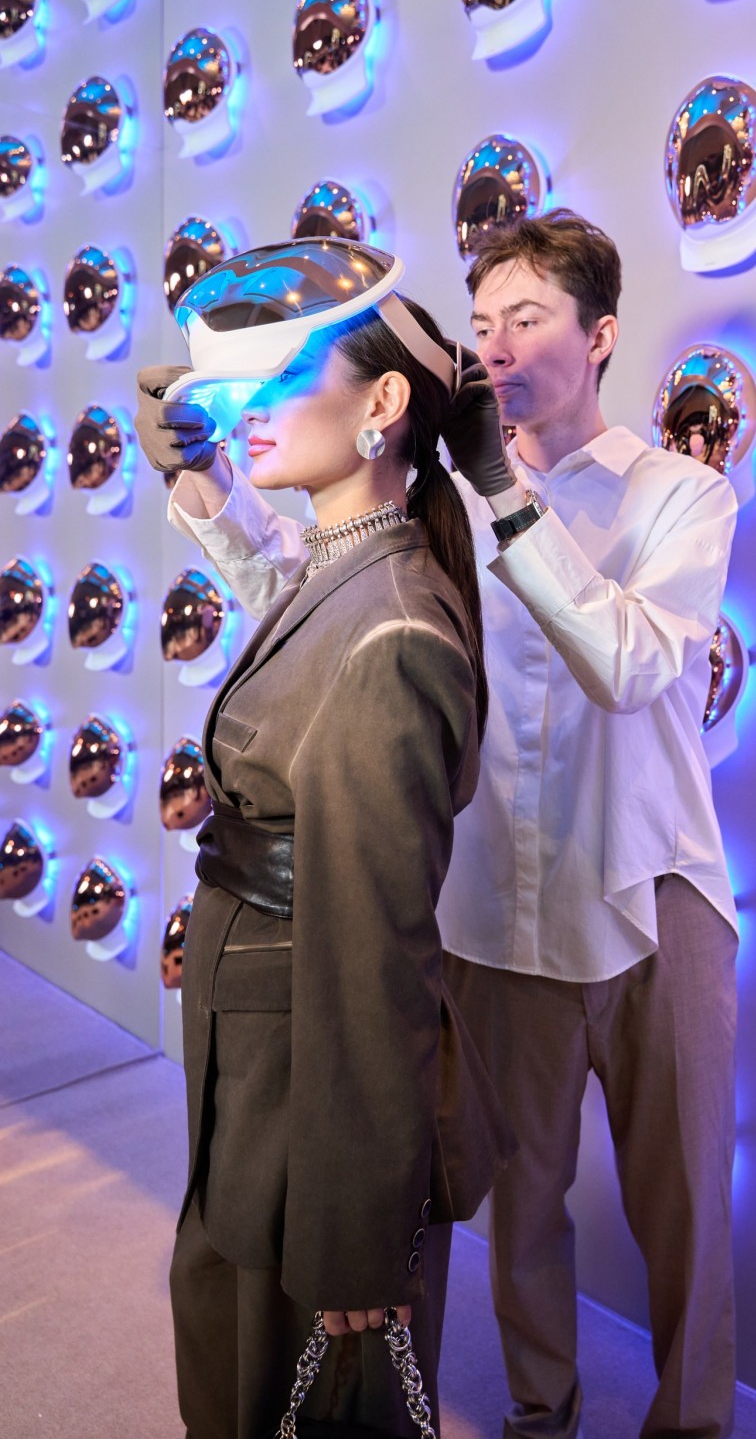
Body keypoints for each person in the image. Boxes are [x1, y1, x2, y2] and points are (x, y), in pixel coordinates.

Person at [138, 211, 739, 1439]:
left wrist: (505, 495)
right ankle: (539, 1415)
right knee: (522, 1209)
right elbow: (313, 600)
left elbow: (628, 666)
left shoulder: (680, 494)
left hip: (647, 892)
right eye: (481, 324)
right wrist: (201, 480)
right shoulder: (441, 503)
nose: (497, 347)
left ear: (599, 335)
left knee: (684, 1210)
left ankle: (692, 1423)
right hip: (492, 904)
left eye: (527, 319)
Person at [147, 238, 513, 1439]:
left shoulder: (392, 631)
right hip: (263, 1050)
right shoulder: (339, 572)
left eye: (283, 376)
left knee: (288, 1378)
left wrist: (361, 1229)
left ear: (382, 405)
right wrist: (202, 470)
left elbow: (376, 952)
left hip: (312, 1069)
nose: (246, 407)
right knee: (229, 1333)